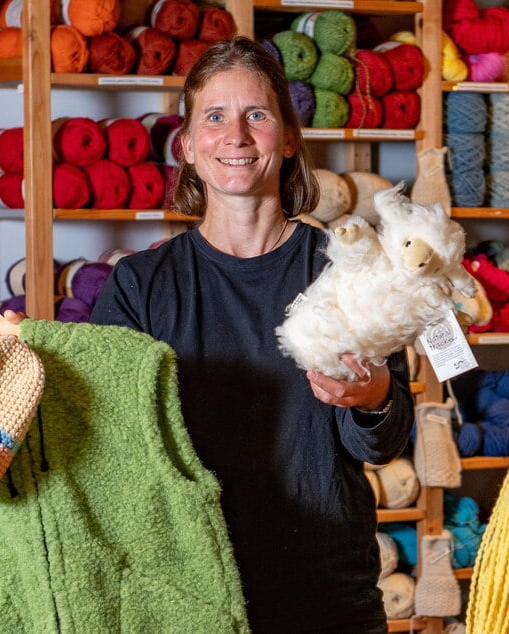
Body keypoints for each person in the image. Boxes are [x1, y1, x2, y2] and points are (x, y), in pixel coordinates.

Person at [90, 36, 415, 632]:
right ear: (187, 146)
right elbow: (109, 443)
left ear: (288, 138)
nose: (235, 136)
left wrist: (372, 400)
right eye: (214, 117)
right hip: (191, 593)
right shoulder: (142, 285)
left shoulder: (344, 268)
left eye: (256, 115)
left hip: (326, 594)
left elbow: (382, 443)